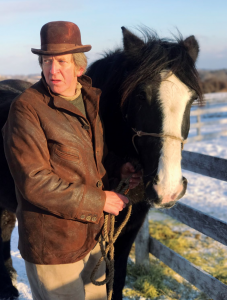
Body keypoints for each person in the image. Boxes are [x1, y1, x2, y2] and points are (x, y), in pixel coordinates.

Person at [2, 21, 141, 300]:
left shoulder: (90, 100)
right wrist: (100, 201)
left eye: (62, 61)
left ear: (79, 67)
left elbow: (90, 152)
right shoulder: (26, 110)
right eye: (47, 61)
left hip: (92, 236)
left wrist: (117, 167)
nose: (53, 70)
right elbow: (34, 182)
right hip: (54, 245)